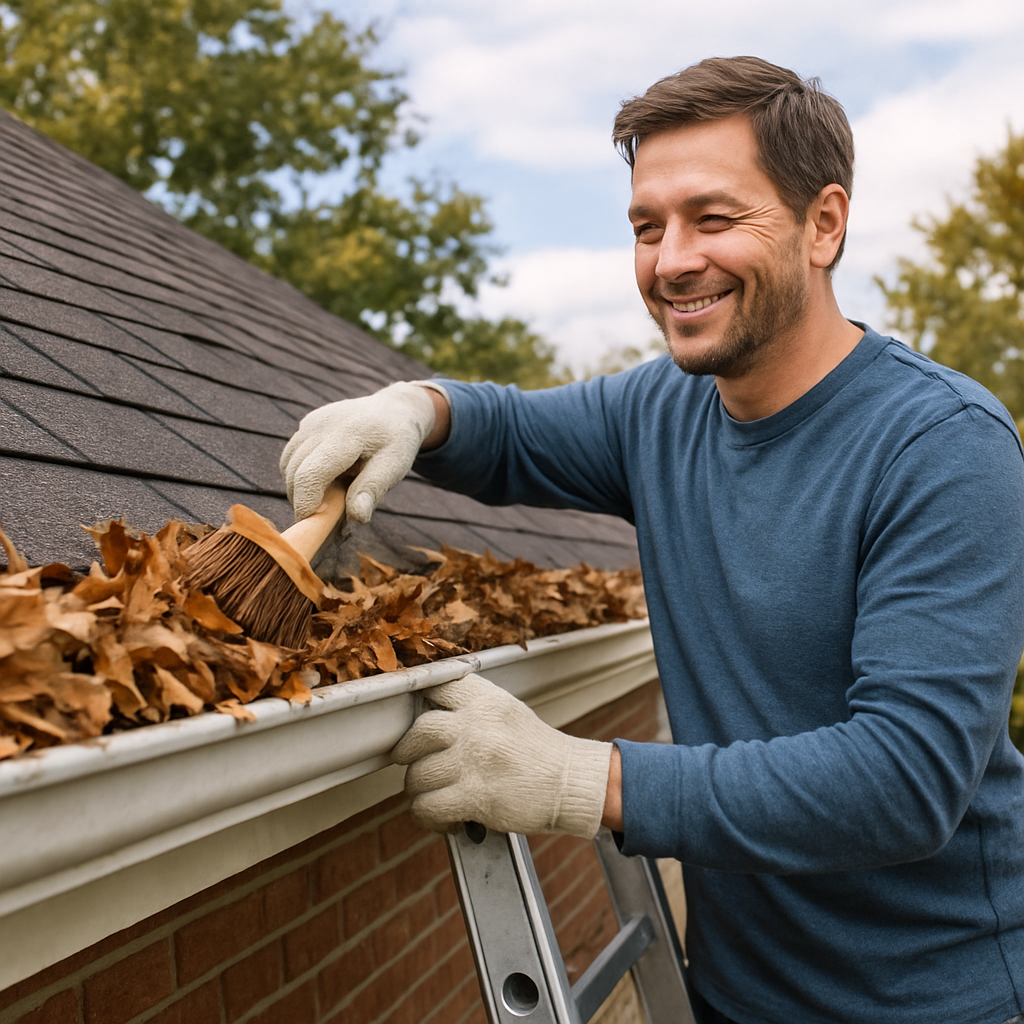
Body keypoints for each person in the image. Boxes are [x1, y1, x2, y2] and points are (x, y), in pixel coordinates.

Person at [280, 57, 1024, 1024]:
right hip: (735, 994)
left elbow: (903, 780)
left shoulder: (943, 448)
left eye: (714, 219)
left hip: (937, 1004)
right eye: (646, 226)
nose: (671, 259)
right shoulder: (662, 410)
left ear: (823, 225)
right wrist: (414, 411)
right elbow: (509, 432)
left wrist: (580, 777)